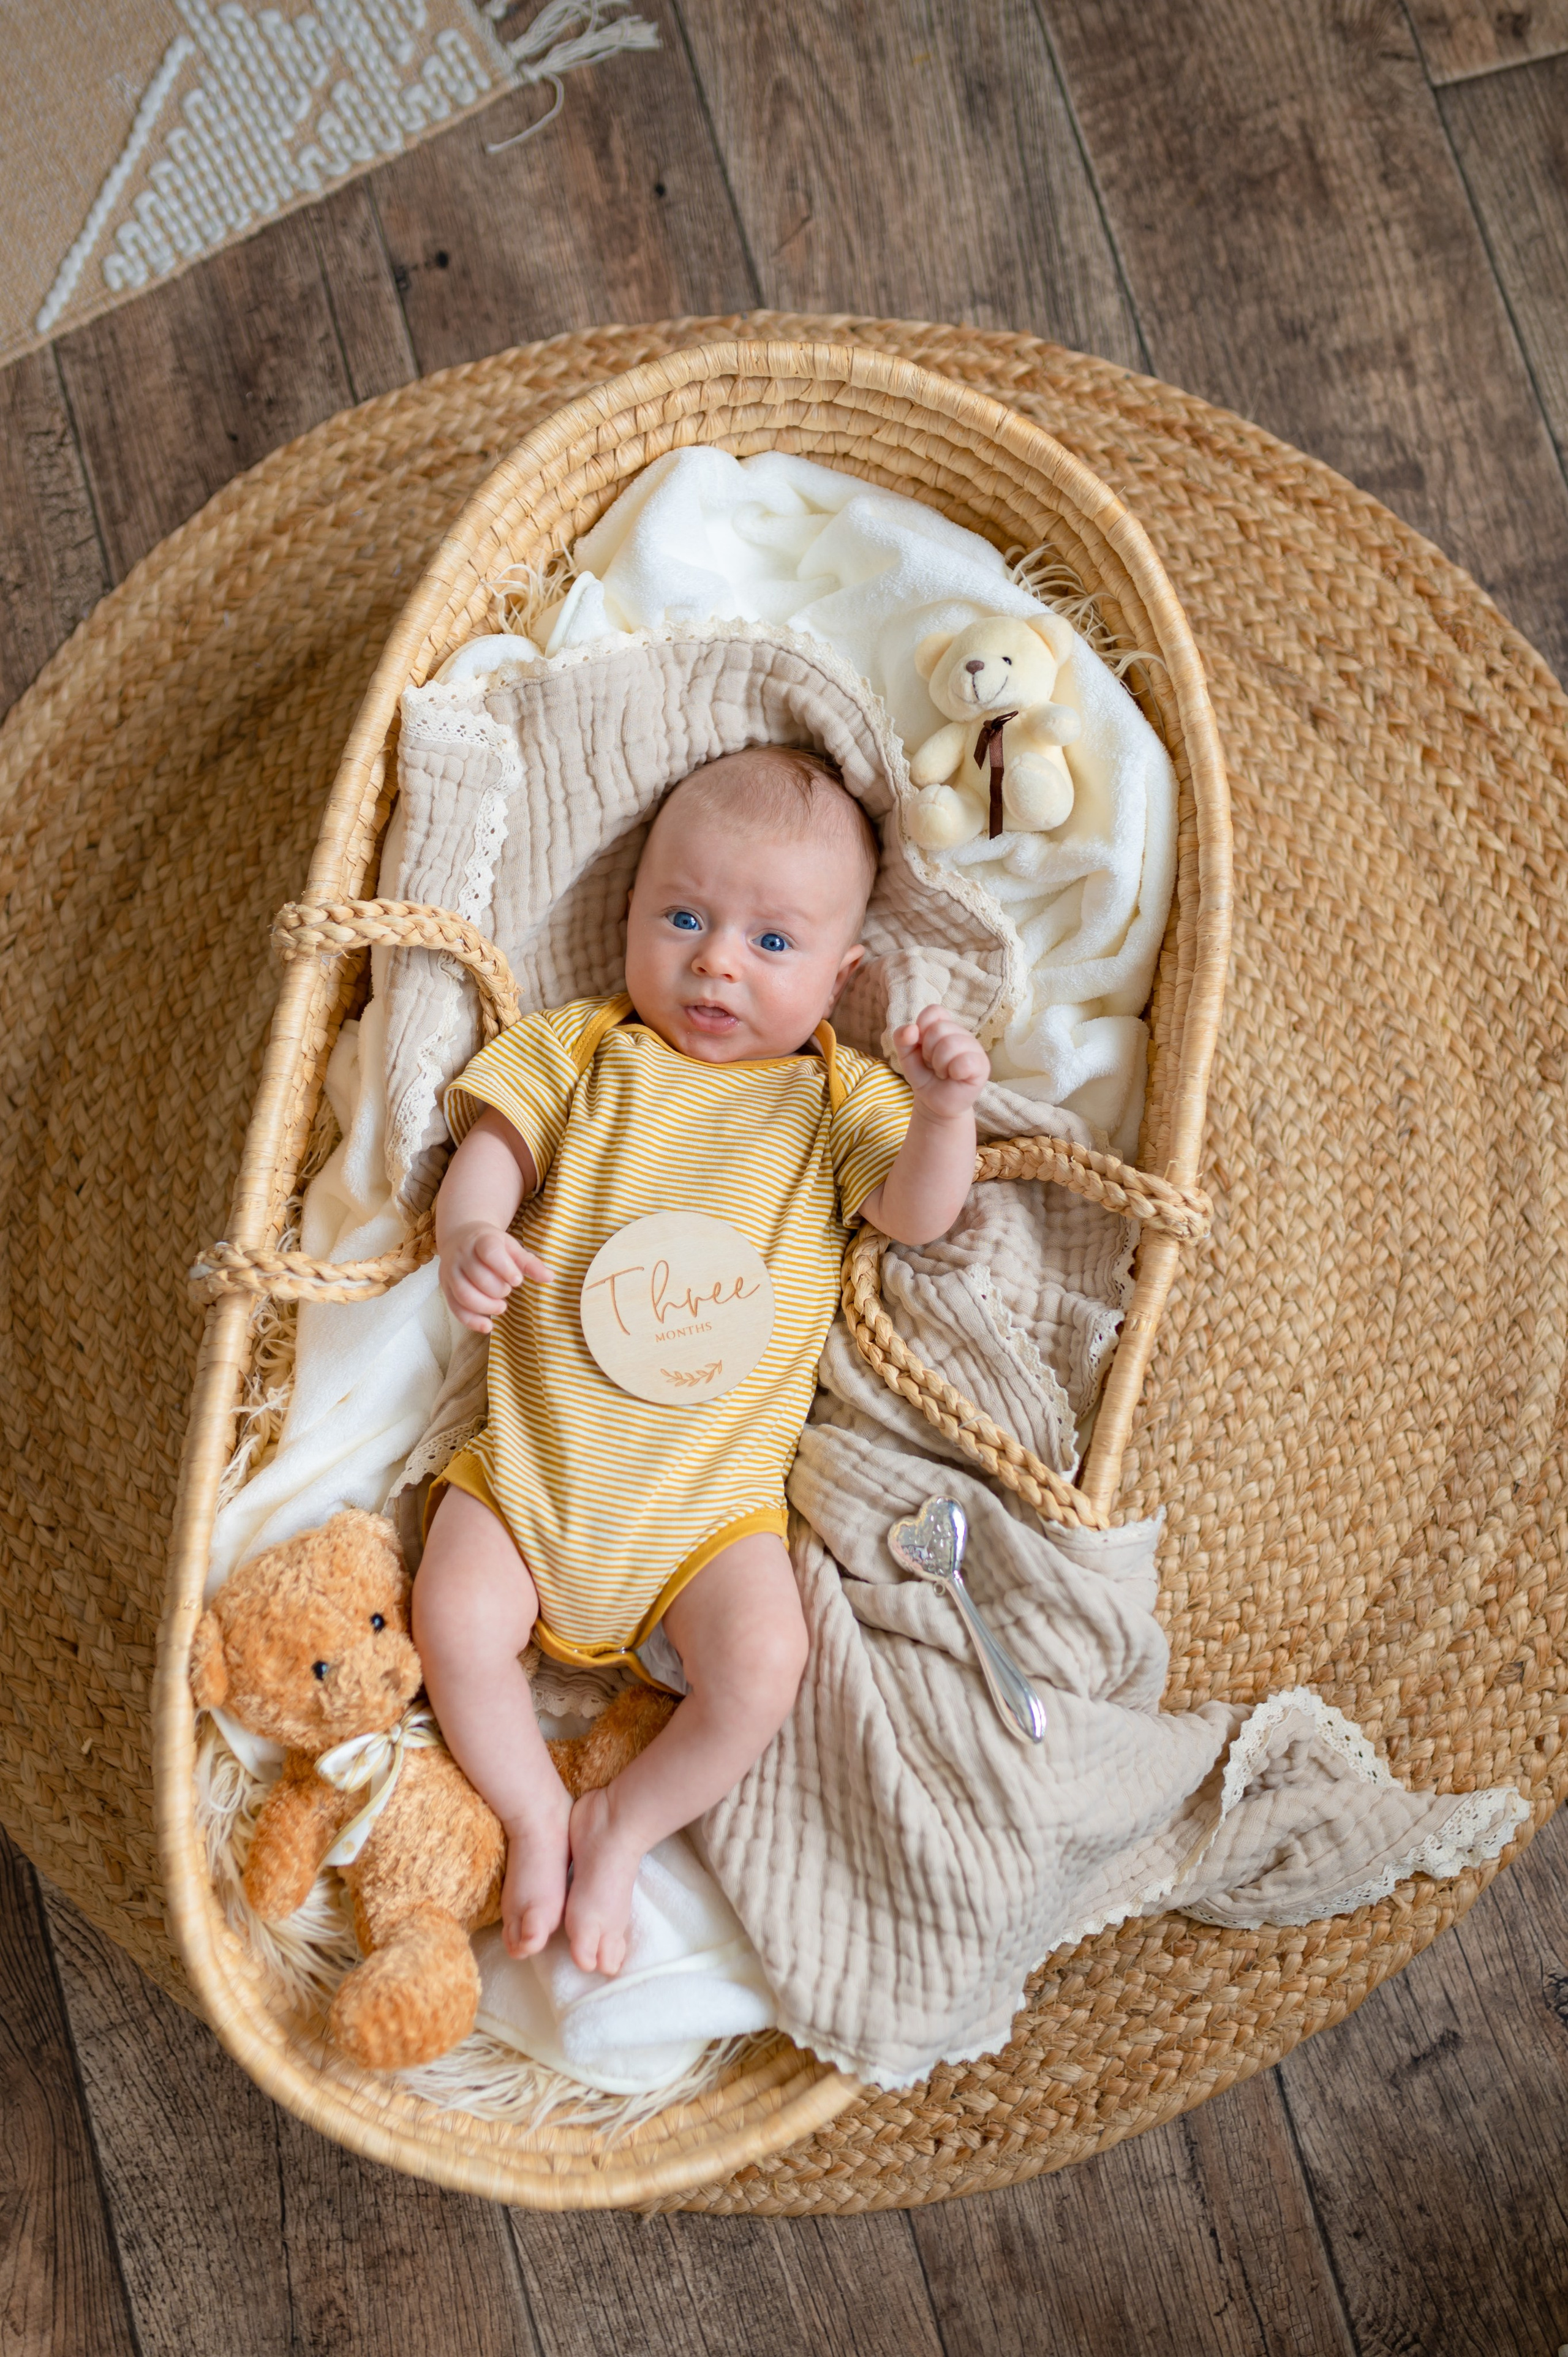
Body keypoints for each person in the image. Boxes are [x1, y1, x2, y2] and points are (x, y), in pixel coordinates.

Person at [413, 744, 990, 1974]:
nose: (716, 959)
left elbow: (916, 1212)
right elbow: (496, 1147)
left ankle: (621, 1822)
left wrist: (942, 1115)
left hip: (706, 1517)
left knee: (764, 1664)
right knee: (454, 1613)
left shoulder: (835, 1099)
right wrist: (471, 1228)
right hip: (531, 1477)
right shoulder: (585, 1048)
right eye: (681, 916)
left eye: (769, 943)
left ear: (842, 978)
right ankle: (529, 1809)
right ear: (628, 914)